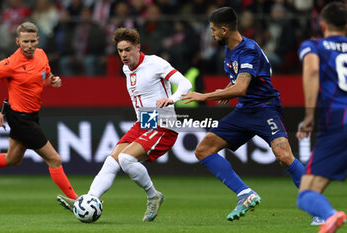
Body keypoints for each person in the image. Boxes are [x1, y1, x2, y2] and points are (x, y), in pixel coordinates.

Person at [181, 6, 308, 222]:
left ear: (224, 29)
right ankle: (245, 194)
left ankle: (319, 208)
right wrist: (224, 91)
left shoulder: (247, 49)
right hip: (244, 110)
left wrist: (205, 96)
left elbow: (241, 88)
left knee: (284, 156)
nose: (211, 33)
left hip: (264, 108)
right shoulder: (230, 48)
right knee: (204, 150)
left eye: (213, 29)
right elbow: (238, 82)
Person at [57, 27, 192, 222]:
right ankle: (88, 200)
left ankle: (153, 196)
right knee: (113, 160)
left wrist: (172, 98)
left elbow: (185, 83)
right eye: (120, 51)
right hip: (144, 121)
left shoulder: (155, 63)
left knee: (127, 159)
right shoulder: (126, 68)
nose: (124, 55)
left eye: (128, 49)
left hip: (163, 122)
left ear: (138, 47)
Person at [0, 22, 78, 201]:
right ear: (18, 41)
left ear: (38, 40)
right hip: (20, 118)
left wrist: (53, 81)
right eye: (25, 41)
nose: (30, 45)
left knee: (12, 160)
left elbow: (44, 79)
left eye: (33, 41)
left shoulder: (41, 55)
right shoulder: (9, 64)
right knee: (54, 159)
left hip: (33, 115)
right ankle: (77, 201)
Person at [296, 2, 347, 233]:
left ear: (323, 23)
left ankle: (330, 216)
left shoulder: (313, 46)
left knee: (307, 194)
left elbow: (313, 70)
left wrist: (309, 116)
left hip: (337, 122)